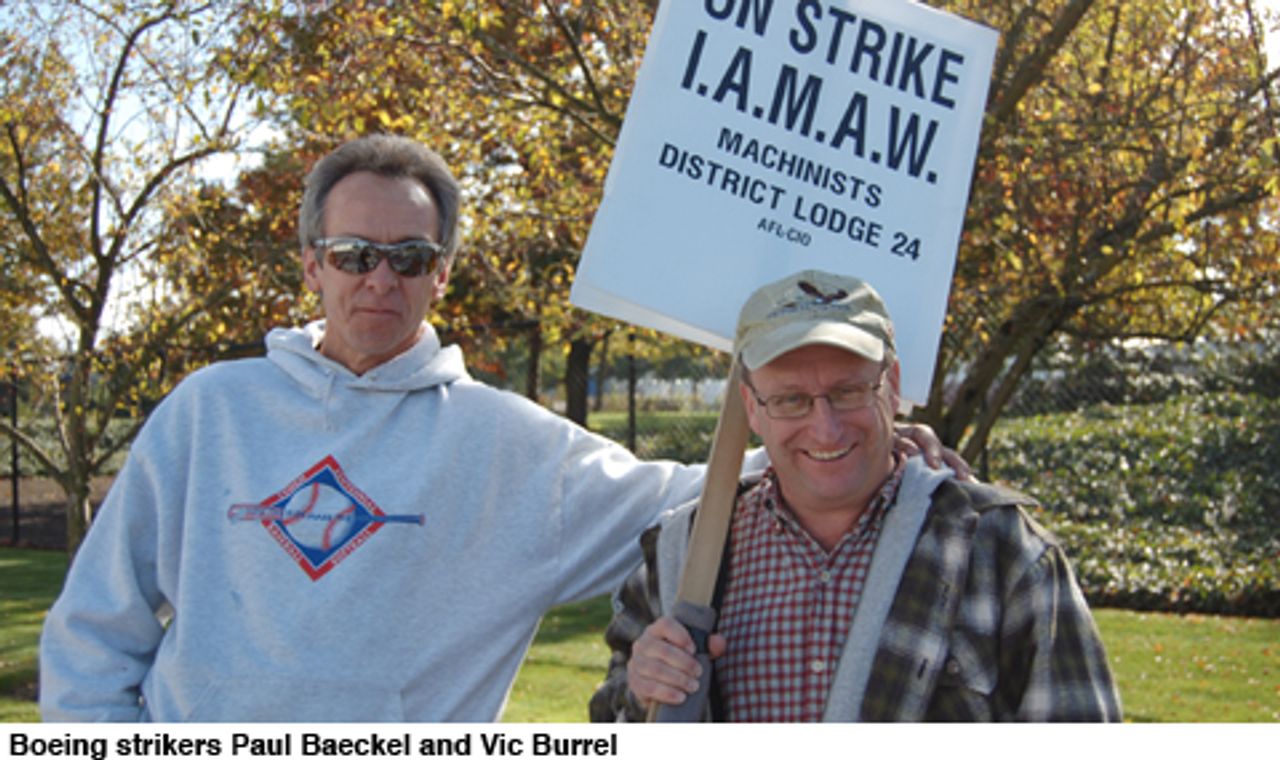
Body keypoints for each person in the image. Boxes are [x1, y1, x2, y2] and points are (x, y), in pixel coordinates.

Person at [39, 135, 958, 722]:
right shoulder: (210, 412)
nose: (379, 280)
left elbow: (688, 495)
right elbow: (94, 632)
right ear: (313, 262)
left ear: (443, 273)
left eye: (409, 257)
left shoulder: (511, 448)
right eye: (355, 255)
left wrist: (835, 439)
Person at [590, 270, 1122, 722]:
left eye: (848, 392)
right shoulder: (682, 557)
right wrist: (639, 697)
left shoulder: (1001, 552)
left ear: (891, 385)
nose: (825, 429)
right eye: (791, 400)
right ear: (752, 409)